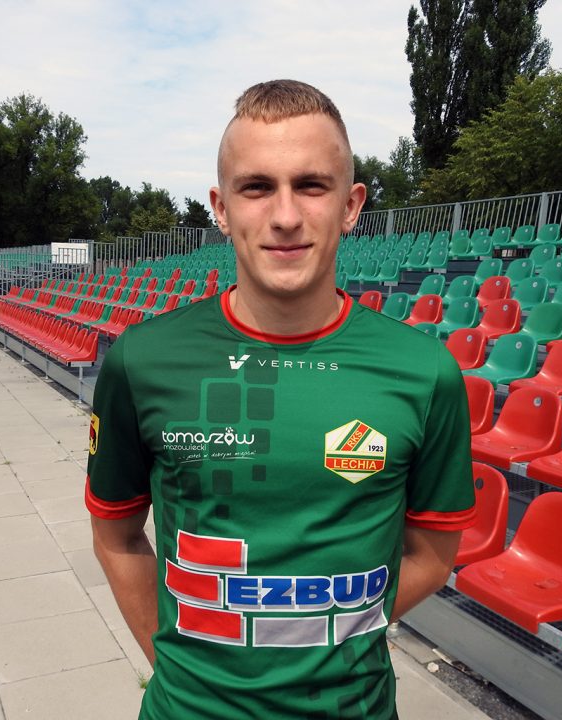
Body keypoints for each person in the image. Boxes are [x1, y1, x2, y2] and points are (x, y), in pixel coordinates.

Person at [87, 79, 476, 720]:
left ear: (351, 205)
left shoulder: (424, 372)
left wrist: (330, 635)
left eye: (312, 185)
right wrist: (181, 665)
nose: (286, 216)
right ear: (221, 208)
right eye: (257, 187)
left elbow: (433, 556)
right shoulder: (143, 360)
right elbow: (117, 536)